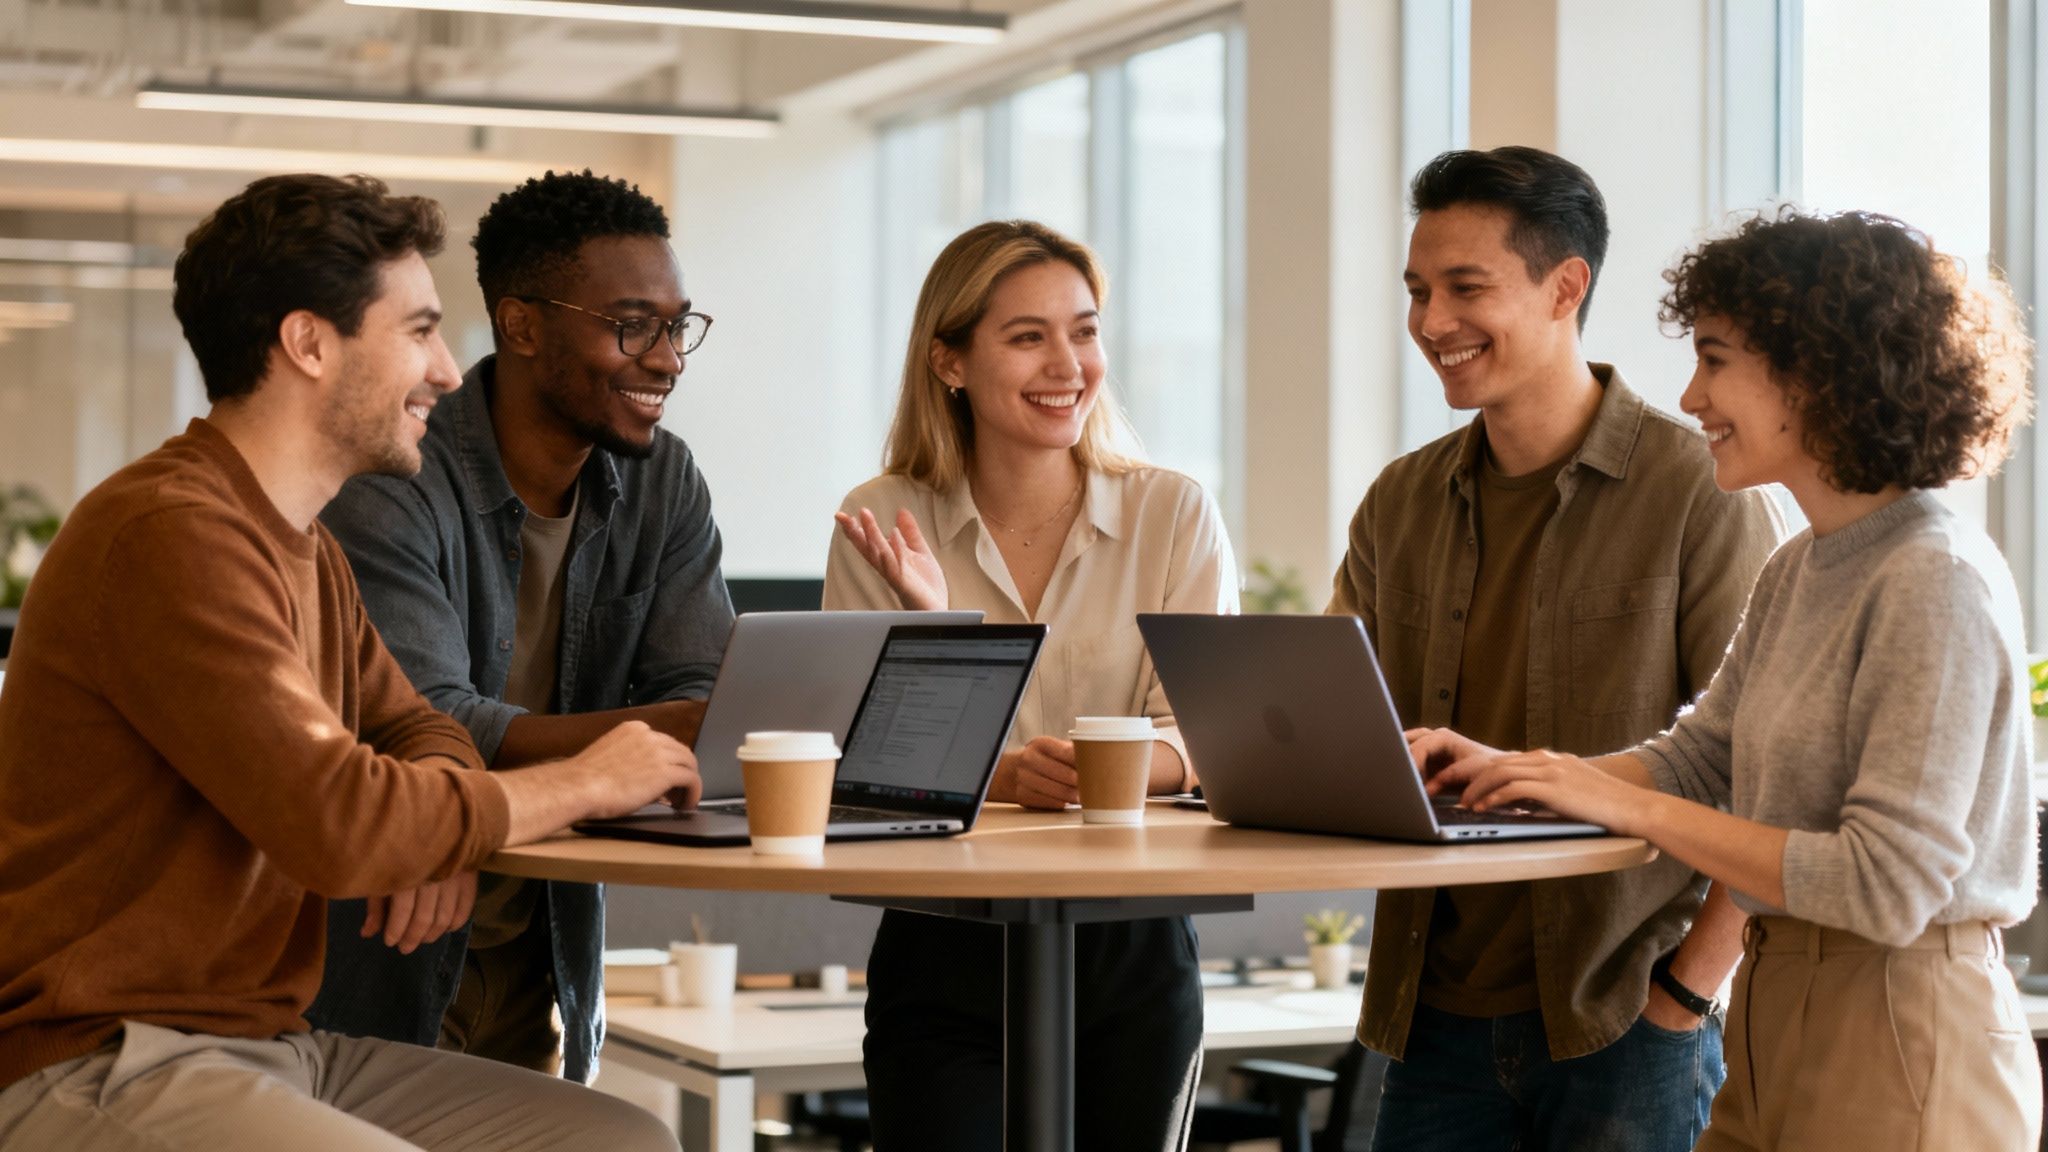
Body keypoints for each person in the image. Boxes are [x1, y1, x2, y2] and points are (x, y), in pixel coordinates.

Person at [0, 173, 692, 1150]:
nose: (449, 372)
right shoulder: (170, 535)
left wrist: (439, 817)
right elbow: (340, 826)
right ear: (309, 343)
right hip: (106, 1060)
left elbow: (418, 726)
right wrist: (584, 781)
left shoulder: (302, 544)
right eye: (417, 331)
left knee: (622, 1140)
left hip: (275, 1045)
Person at [1422, 208, 2041, 1150]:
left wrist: (1629, 810)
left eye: (1715, 359)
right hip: (1772, 1003)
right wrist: (1529, 772)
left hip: (1903, 1022)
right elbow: (1702, 762)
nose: (1691, 393)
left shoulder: (1933, 577)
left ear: (1818, 371)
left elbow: (1887, 883)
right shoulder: (1803, 566)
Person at [1328, 146, 1783, 1150]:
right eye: (1415, 291)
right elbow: (1320, 726)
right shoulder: (1397, 503)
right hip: (1429, 1022)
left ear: (1563, 286)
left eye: (1463, 288)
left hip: (1623, 1018)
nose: (1429, 322)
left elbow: (1764, 773)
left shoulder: (1696, 493)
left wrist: (1681, 998)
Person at [307, 170, 733, 1082]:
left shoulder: (663, 482)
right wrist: (642, 747)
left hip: (545, 941)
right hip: (389, 943)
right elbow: (424, 718)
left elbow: (699, 688)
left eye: (677, 325)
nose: (667, 358)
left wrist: (670, 731)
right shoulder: (397, 478)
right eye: (632, 325)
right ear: (523, 324)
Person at [825, 219, 1237, 1150]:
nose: (1069, 365)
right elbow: (861, 768)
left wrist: (1117, 767)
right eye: (1027, 336)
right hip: (944, 940)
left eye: (1084, 331)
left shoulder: (1172, 512)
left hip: (1133, 938)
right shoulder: (881, 517)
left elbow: (1209, 731)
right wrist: (943, 648)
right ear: (950, 361)